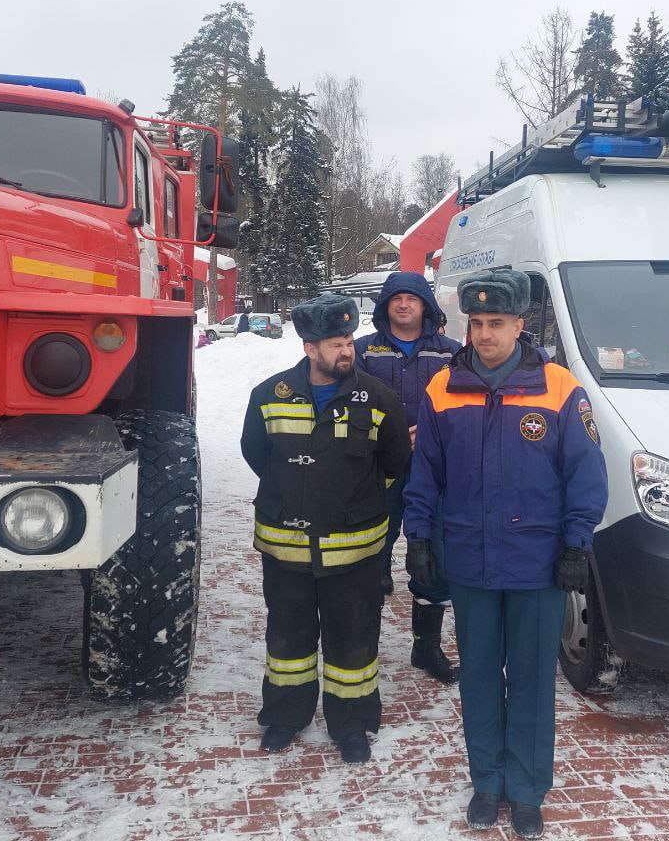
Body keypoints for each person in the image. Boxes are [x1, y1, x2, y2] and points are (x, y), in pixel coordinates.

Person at [403, 268, 609, 838]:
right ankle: (487, 781)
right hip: (469, 562)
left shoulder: (560, 388)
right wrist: (418, 536)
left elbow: (586, 476)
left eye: (497, 323)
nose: (485, 334)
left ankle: (526, 790)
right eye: (477, 323)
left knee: (533, 680)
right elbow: (425, 474)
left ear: (520, 325)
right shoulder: (443, 388)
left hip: (537, 566)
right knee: (479, 678)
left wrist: (576, 545)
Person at [240, 294, 410, 764]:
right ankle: (285, 715)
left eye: (349, 340)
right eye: (336, 343)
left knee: (354, 639)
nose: (347, 350)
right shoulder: (268, 396)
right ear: (310, 348)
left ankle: (352, 722)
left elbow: (395, 464)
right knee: (288, 637)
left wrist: (349, 501)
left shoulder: (379, 400)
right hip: (286, 548)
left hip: (354, 552)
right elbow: (257, 454)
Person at [354, 272, 461, 684]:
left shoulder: (452, 354)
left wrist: (432, 434)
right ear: (385, 306)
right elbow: (350, 406)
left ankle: (426, 647)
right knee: (369, 559)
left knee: (433, 558)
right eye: (395, 298)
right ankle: (362, 647)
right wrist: (391, 433)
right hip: (377, 471)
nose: (403, 305)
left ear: (426, 306)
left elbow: (465, 408)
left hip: (434, 472)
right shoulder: (363, 352)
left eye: (412, 299)